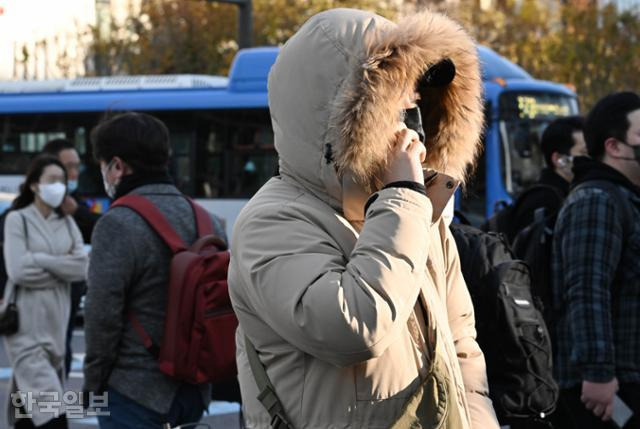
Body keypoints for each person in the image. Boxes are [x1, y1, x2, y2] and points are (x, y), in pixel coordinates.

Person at [229, 8, 498, 429]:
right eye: (394, 113)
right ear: (341, 121)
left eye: (416, 111)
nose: (412, 131)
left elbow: (461, 344)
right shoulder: (272, 222)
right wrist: (403, 197)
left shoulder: (415, 215)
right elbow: (354, 328)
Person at [82, 112, 227, 429]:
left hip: (135, 392)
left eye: (104, 166)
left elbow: (102, 312)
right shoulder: (207, 221)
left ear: (117, 166)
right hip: (194, 389)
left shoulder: (117, 222)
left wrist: (93, 384)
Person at [551, 92, 640, 428]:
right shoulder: (596, 200)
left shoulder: (624, 198)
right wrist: (598, 374)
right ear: (614, 147)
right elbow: (587, 290)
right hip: (609, 391)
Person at [2, 155, 88, 428]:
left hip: (56, 327)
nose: (59, 186)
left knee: (28, 406)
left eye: (62, 181)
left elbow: (81, 267)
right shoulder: (18, 220)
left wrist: (38, 259)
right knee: (53, 413)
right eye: (52, 180)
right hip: (25, 329)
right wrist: (60, 268)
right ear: (35, 185)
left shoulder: (67, 222)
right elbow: (18, 270)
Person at [41, 139, 100, 377]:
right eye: (69, 167)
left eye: (78, 166)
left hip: (70, 295)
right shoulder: (24, 213)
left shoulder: (75, 202)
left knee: (61, 356)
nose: (75, 173)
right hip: (39, 303)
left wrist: (77, 211)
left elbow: (101, 230)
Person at [508, 116, 587, 235]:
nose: (591, 159)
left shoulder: (574, 194)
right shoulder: (544, 202)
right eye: (584, 152)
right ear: (558, 159)